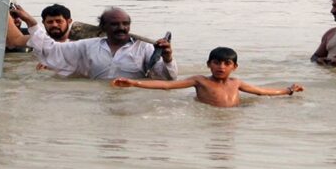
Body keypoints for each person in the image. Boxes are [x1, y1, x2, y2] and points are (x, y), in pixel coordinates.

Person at [112, 47, 303, 108]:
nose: (221, 67)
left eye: (226, 64)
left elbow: (262, 92)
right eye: (216, 63)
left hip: (233, 116)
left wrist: (288, 90)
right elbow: (167, 86)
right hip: (208, 113)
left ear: (234, 67)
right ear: (208, 64)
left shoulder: (237, 83)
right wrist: (134, 82)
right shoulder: (200, 81)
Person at [25, 7, 177, 80]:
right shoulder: (87, 46)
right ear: (103, 27)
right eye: (115, 24)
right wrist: (32, 23)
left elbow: (167, 79)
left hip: (132, 99)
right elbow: (52, 50)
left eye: (125, 24)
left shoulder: (145, 48)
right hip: (97, 99)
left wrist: (168, 58)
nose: (121, 28)